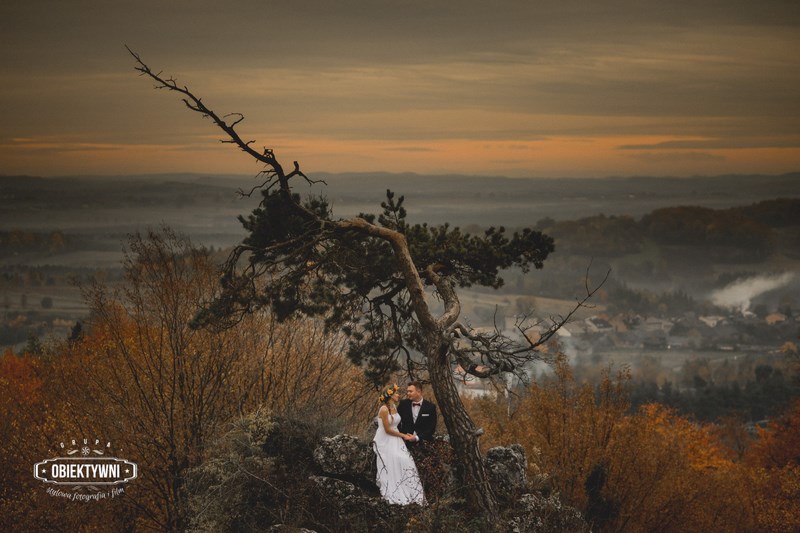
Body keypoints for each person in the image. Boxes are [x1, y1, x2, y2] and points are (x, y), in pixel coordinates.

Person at [372, 384, 426, 505]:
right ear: (390, 395)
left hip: (396, 438)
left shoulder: (395, 407)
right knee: (395, 459)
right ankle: (394, 489)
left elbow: (398, 424)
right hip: (386, 439)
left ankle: (412, 492)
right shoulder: (384, 409)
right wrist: (403, 435)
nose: (398, 395)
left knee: (406, 460)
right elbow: (387, 430)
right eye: (396, 393)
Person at [397, 381, 437, 446]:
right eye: (407, 391)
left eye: (410, 391)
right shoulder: (403, 404)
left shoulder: (430, 407)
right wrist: (402, 436)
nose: (408, 393)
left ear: (419, 392)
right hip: (404, 443)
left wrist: (416, 438)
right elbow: (397, 422)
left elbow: (431, 428)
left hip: (424, 444)